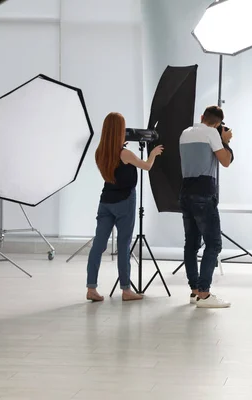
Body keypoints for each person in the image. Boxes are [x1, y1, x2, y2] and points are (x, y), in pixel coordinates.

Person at [86, 112, 163, 302]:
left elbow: (113, 170)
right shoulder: (125, 153)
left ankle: (91, 287)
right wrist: (152, 154)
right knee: (123, 244)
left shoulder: (100, 152)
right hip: (125, 201)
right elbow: (146, 166)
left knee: (98, 245)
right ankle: (126, 290)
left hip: (105, 202)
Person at [179, 105, 233, 308]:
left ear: (202, 117)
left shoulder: (184, 134)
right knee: (213, 244)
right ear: (219, 124)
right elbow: (226, 161)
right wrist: (225, 141)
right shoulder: (212, 133)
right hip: (204, 192)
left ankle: (194, 291)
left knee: (191, 245)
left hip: (185, 191)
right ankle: (204, 293)